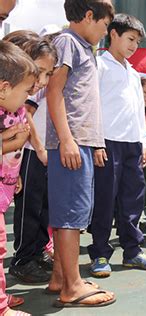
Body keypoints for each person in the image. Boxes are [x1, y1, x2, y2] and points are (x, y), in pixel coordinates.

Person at [45, 0, 116, 308]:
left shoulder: (85, 48)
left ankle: (61, 277)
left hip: (83, 142)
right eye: (104, 25)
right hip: (71, 143)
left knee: (72, 213)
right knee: (70, 215)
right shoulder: (67, 41)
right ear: (89, 16)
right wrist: (67, 140)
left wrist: (94, 142)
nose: (104, 31)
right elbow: (54, 90)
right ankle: (72, 287)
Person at [87, 13, 146, 279]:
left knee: (133, 200)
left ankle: (132, 252)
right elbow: (91, 106)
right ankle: (99, 254)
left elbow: (136, 112)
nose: (133, 46)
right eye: (130, 39)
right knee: (105, 200)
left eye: (137, 42)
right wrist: (96, 143)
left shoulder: (133, 73)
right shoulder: (99, 65)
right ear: (113, 34)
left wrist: (142, 142)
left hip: (132, 145)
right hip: (107, 142)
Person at [4, 30, 57, 285]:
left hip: (21, 159)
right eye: (41, 71)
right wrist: (37, 147)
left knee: (42, 206)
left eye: (49, 73)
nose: (43, 81)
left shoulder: (24, 90)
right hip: (25, 155)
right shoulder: (18, 90)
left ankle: (35, 253)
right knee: (30, 208)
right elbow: (26, 114)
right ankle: (23, 259)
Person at [0, 40, 38, 316]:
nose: (28, 97)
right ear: (4, 88)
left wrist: (15, 177)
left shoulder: (13, 112)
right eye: (26, 92)